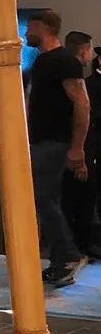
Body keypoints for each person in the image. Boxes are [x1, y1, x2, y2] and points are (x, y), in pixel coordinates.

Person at [26, 9, 89, 288]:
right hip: (42, 141)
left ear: (44, 27)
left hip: (55, 142)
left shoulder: (64, 61)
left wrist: (77, 148)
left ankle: (67, 257)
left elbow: (82, 104)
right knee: (45, 200)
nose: (26, 33)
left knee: (46, 200)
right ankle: (59, 260)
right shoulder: (43, 61)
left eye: (30, 27)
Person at [61, 31, 101, 260]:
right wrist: (81, 152)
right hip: (84, 146)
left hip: (89, 146)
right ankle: (75, 246)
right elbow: (84, 118)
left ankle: (84, 242)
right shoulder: (87, 85)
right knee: (76, 197)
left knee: (88, 197)